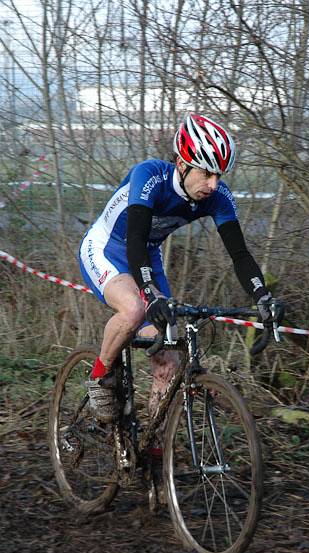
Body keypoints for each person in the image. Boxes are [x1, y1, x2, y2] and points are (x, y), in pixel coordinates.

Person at [79, 114, 282, 430]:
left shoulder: (218, 197)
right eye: (206, 174)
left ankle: (155, 449)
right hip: (108, 248)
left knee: (170, 361)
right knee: (133, 310)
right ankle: (100, 375)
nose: (213, 184)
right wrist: (149, 293)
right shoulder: (150, 177)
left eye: (219, 175)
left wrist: (262, 295)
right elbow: (133, 239)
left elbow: (239, 254)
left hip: (147, 257)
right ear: (182, 164)